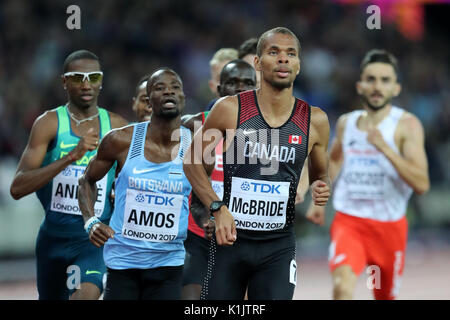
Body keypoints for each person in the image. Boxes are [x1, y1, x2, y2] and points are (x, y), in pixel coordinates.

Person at [183, 27, 331, 300]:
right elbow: (192, 162)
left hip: (278, 246)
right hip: (230, 244)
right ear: (258, 63)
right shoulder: (230, 109)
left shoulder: (316, 120)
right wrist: (216, 207)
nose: (283, 59)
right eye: (273, 52)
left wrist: (321, 188)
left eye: (290, 54)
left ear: (298, 65)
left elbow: (321, 174)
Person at [305, 49, 430, 300]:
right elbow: (335, 162)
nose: (377, 86)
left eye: (385, 80)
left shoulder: (406, 126)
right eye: (371, 79)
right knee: (342, 288)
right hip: (350, 222)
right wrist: (318, 201)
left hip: (389, 228)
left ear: (396, 88)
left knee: (383, 296)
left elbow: (421, 184)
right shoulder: (347, 123)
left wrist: (385, 148)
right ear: (360, 86)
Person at [9, 50, 129, 300]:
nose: (87, 84)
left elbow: (128, 182)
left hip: (93, 241)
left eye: (93, 77)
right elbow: (17, 188)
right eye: (78, 77)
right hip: (53, 241)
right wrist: (70, 157)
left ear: (101, 81)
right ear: (64, 81)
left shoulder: (117, 126)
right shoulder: (49, 124)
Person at [78, 68, 192, 300]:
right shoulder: (120, 140)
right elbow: (86, 181)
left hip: (169, 264)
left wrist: (209, 217)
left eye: (175, 87)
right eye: (160, 88)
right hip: (123, 265)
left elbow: (201, 198)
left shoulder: (196, 146)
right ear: (149, 102)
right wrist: (91, 221)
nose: (169, 91)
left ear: (183, 98)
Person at [181, 59, 257, 300]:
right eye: (232, 82)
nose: (239, 88)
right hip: (200, 234)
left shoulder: (268, 131)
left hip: (243, 238)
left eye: (247, 83)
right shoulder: (194, 124)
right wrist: (206, 215)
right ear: (219, 89)